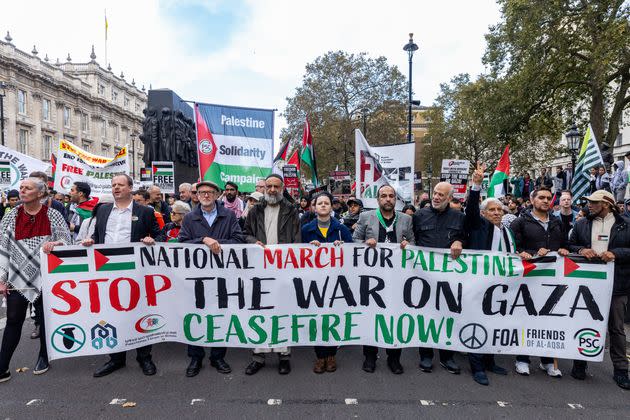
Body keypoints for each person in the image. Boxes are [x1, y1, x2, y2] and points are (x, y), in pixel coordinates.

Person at [82, 174, 163, 378]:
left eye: (120, 185)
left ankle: (144, 357)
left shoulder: (145, 212)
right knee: (112, 314)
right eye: (113, 185)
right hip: (107, 270)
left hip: (135, 270)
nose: (116, 188)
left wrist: (151, 240)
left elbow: (159, 235)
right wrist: (91, 241)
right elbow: (97, 235)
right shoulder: (102, 209)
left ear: (130, 188)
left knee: (140, 311)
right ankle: (116, 358)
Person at [0, 178, 71, 383]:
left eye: (27, 188)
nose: (22, 191)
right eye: (21, 188)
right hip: (17, 277)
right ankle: (2, 366)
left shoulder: (53, 214)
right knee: (14, 319)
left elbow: (67, 241)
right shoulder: (11, 216)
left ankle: (44, 357)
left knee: (45, 318)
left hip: (47, 276)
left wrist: (56, 243)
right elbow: (3, 248)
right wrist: (1, 279)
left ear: (40, 193)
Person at [178, 181, 244, 377]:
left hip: (223, 276)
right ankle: (195, 357)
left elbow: (238, 240)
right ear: (196, 195)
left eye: (210, 192)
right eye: (202, 192)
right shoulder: (190, 218)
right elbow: (182, 243)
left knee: (220, 315)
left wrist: (216, 243)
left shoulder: (228, 215)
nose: (206, 195)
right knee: (195, 315)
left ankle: (217, 356)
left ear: (217, 195)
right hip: (196, 277)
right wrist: (203, 240)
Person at [567, 190, 630, 389]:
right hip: (587, 283)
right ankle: (580, 363)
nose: (589, 205)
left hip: (617, 285)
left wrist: (615, 253)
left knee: (616, 328)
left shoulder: (625, 225)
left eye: (594, 202)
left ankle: (621, 370)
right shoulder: (582, 223)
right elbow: (570, 244)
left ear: (606, 204)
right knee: (584, 322)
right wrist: (581, 250)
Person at [243, 174, 301, 375]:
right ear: (264, 188)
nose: (273, 190)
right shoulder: (255, 210)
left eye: (276, 186)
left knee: (283, 312)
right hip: (259, 268)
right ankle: (258, 357)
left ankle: (283, 356)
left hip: (283, 268)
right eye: (269, 186)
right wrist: (253, 243)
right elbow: (246, 233)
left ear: (282, 188)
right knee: (259, 311)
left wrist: (291, 264)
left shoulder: (291, 210)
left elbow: (296, 238)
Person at [354, 185, 414, 374]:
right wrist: (365, 243)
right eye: (383, 196)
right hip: (372, 279)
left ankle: (394, 358)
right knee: (371, 317)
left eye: (391, 196)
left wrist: (408, 245)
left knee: (395, 318)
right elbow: (354, 241)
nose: (387, 199)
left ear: (395, 199)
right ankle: (369, 357)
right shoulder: (366, 217)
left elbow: (414, 242)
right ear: (378, 199)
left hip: (397, 279)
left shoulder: (406, 219)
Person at [510, 186, 569, 377]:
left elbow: (564, 245)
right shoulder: (520, 222)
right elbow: (513, 248)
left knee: (550, 319)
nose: (545, 201)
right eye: (541, 197)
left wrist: (563, 250)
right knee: (526, 318)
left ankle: (547, 361)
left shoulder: (557, 222)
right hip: (529, 278)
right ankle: (523, 359)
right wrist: (526, 253)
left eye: (548, 198)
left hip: (552, 280)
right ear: (532, 200)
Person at [463, 163, 511, 385]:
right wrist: (477, 185)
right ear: (484, 213)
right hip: (479, 284)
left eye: (499, 210)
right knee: (478, 323)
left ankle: (490, 361)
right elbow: (471, 210)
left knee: (494, 324)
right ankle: (477, 366)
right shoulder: (478, 225)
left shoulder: (507, 232)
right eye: (492, 210)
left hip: (501, 286)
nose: (496, 213)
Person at [413, 181, 464, 374]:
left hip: (449, 277)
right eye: (435, 193)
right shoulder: (419, 216)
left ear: (450, 198)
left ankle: (447, 356)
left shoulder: (459, 217)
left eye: (441, 195)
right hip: (423, 275)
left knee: (448, 316)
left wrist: (459, 240)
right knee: (426, 316)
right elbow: (412, 240)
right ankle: (426, 356)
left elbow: (465, 237)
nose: (436, 197)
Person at [301, 192, 353, 374]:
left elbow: (353, 255)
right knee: (317, 319)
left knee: (333, 317)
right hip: (313, 282)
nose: (323, 206)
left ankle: (331, 355)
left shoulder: (342, 229)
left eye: (326, 203)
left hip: (335, 282)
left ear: (332, 207)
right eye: (319, 203)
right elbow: (296, 254)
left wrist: (343, 248)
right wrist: (308, 248)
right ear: (314, 207)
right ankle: (320, 356)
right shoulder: (306, 229)